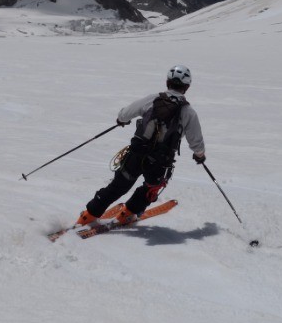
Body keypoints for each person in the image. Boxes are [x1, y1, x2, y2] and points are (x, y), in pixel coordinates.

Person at [76, 65, 205, 226]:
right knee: (151, 188)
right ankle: (128, 213)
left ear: (167, 82)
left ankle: (88, 215)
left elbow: (124, 114)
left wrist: (121, 120)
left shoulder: (152, 99)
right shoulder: (188, 112)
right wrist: (200, 155)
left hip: (136, 154)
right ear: (187, 86)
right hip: (160, 161)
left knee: (117, 187)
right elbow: (196, 141)